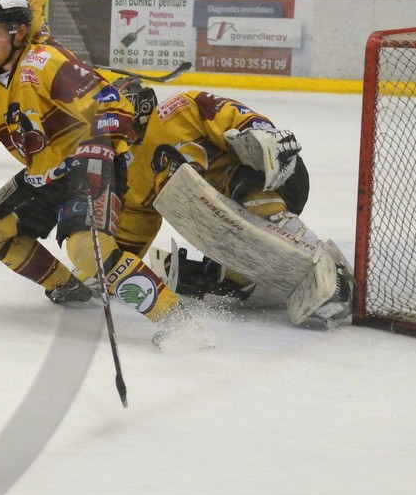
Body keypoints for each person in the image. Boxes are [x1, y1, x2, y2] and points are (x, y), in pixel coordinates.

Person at [0, 0, 205, 347]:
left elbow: (111, 104)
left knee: (88, 250)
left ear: (20, 32)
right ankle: (66, 287)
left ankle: (177, 320)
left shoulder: (44, 62)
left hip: (91, 163)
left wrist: (97, 144)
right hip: (44, 175)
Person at [119, 89, 349, 329]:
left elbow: (238, 119)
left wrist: (262, 137)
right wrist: (114, 264)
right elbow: (133, 230)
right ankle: (243, 279)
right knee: (223, 274)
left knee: (248, 193)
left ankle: (327, 265)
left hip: (272, 178)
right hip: (226, 224)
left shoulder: (178, 110)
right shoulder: (130, 172)